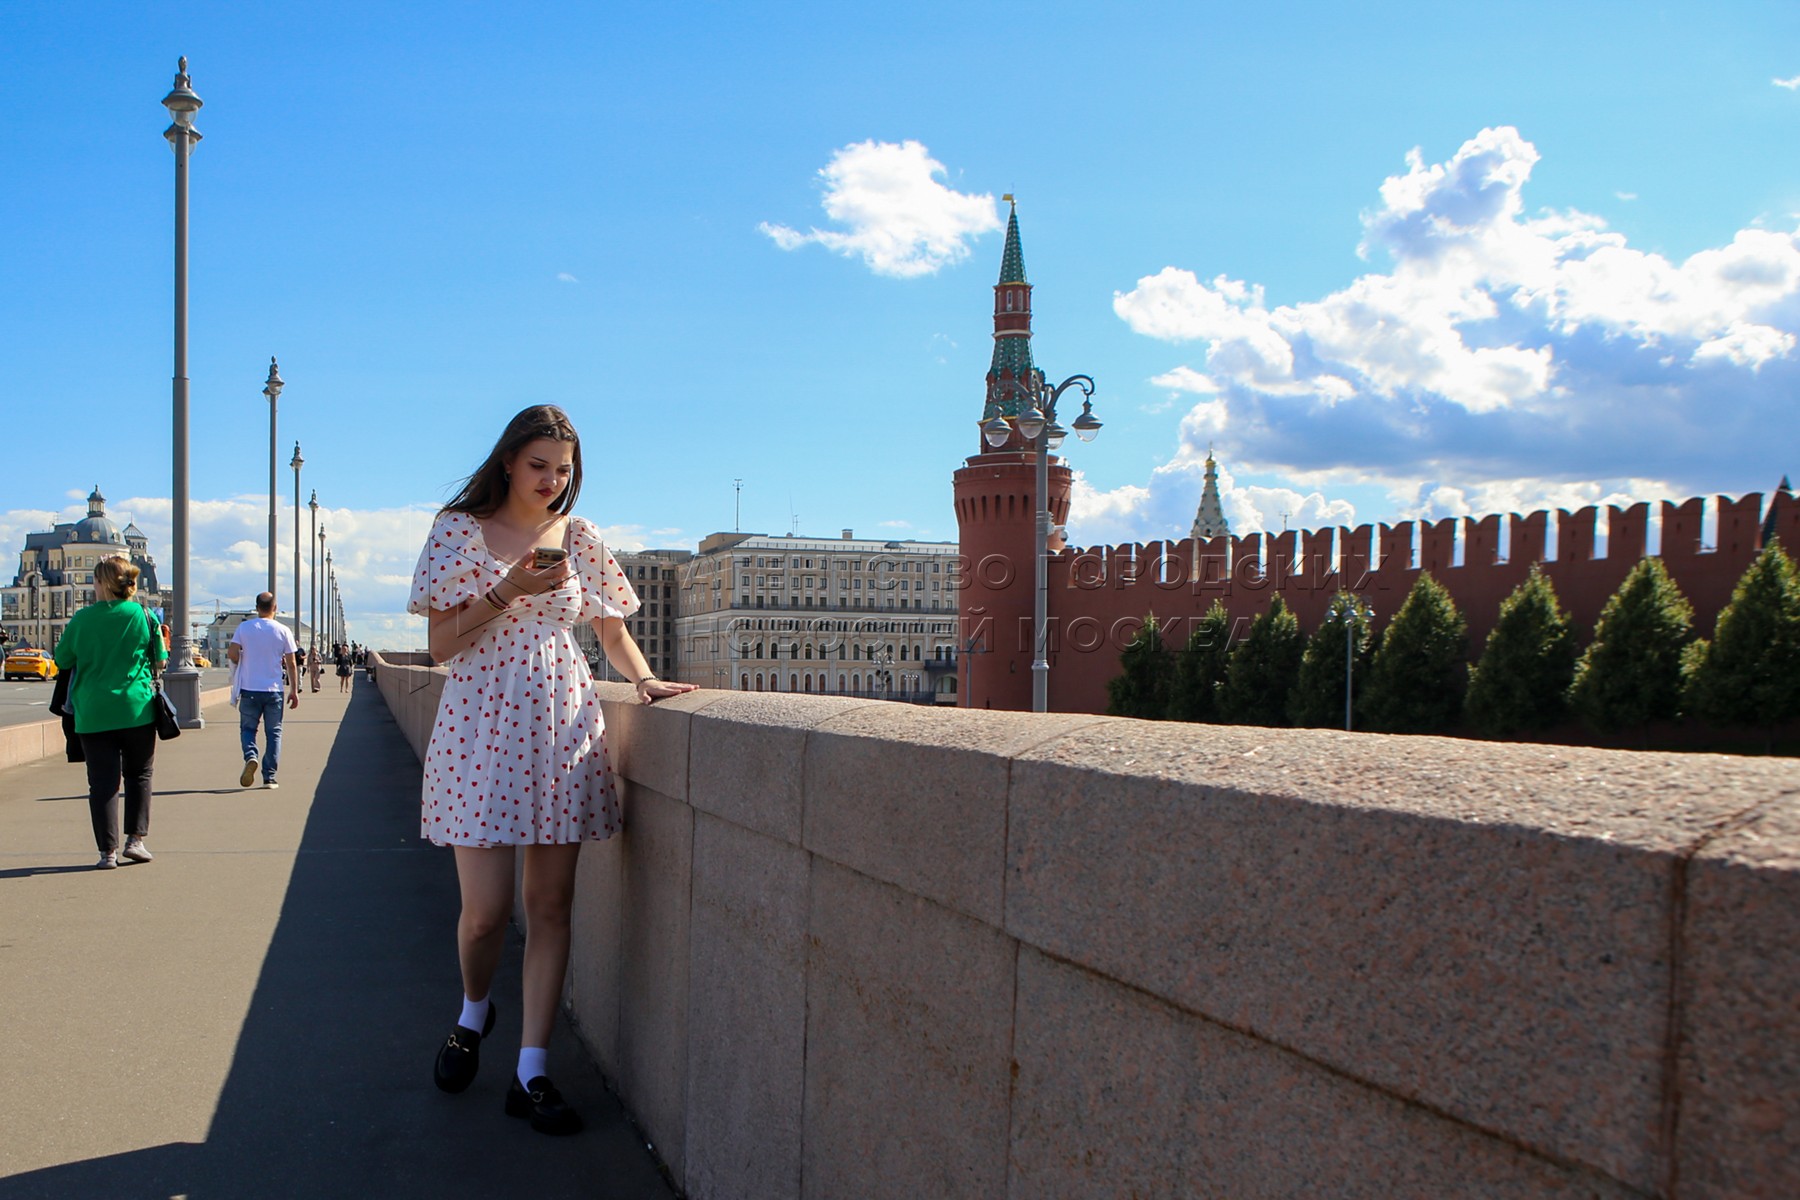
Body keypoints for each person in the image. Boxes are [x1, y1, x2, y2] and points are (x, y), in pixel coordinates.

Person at [408, 404, 695, 1136]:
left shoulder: (582, 537)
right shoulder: (456, 532)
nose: (552, 481)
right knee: (484, 915)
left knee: (551, 906)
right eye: (539, 466)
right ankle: (474, 1012)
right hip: (479, 722)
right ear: (508, 461)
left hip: (561, 719)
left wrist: (643, 680)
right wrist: (509, 590)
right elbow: (441, 646)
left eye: (563, 469)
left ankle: (531, 1069)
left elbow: (609, 626)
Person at [52, 555, 166, 869]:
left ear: (102, 583)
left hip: (92, 712)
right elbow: (160, 660)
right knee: (139, 775)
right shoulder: (144, 615)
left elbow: (62, 660)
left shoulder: (82, 619)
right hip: (136, 709)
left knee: (102, 783)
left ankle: (108, 853)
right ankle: (136, 841)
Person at [228, 593, 300, 789]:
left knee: (248, 729)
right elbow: (292, 663)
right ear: (275, 607)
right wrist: (294, 690)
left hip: (249, 688)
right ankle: (269, 777)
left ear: (257, 607)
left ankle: (251, 755)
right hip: (274, 690)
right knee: (274, 733)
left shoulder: (244, 628)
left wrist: (243, 658)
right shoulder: (283, 630)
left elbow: (233, 654)